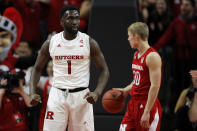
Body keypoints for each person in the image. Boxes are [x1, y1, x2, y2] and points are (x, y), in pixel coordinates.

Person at [29, 5, 109, 131]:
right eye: (70, 18)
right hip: (57, 95)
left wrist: (97, 93)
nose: (75, 22)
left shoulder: (89, 42)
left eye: (77, 18)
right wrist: (32, 92)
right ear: (61, 22)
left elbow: (104, 70)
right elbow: (37, 69)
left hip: (81, 96)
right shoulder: (51, 42)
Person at [117, 22, 162, 131]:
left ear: (136, 36)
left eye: (129, 36)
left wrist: (147, 111)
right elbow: (138, 80)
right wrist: (125, 90)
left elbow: (155, 86)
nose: (128, 39)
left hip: (147, 104)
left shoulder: (152, 56)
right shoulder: (136, 54)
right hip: (133, 103)